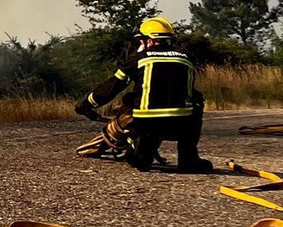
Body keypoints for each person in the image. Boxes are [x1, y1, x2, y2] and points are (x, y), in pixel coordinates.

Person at [75, 17, 212, 173]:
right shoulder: (186, 59)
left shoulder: (139, 59)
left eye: (141, 41)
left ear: (150, 41)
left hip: (148, 125)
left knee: (129, 101)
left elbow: (112, 87)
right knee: (196, 101)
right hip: (181, 125)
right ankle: (188, 159)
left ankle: (140, 155)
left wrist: (86, 104)